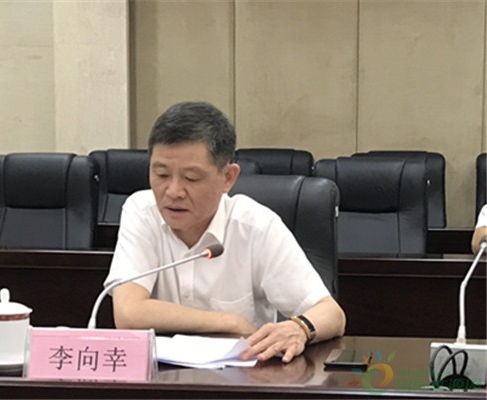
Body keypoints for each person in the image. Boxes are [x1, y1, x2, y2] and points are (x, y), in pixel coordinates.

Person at [104, 101, 346, 363]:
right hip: (161, 377)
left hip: (242, 377)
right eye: (161, 175)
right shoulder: (142, 211)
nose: (173, 192)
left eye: (191, 178)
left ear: (228, 178)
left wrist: (299, 328)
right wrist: (229, 322)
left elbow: (332, 314)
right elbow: (128, 313)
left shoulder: (256, 227)